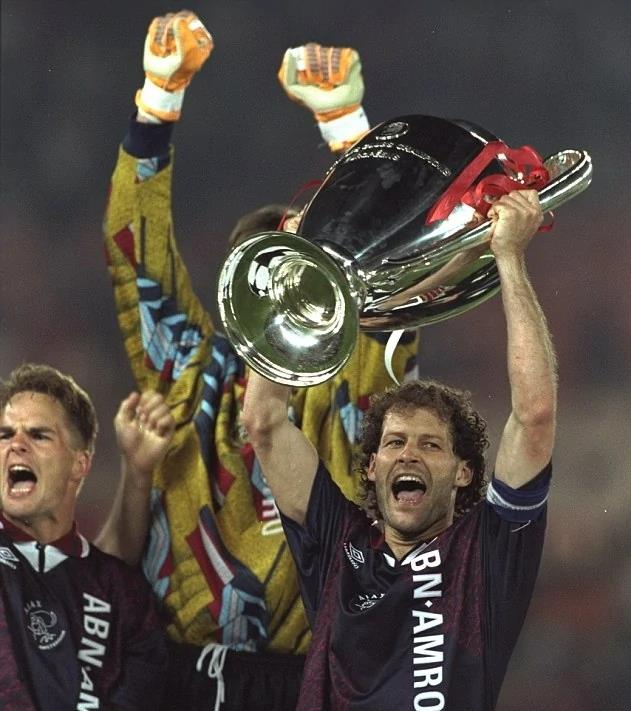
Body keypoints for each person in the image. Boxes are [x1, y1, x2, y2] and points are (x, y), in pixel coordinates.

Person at [97, 10, 418, 710]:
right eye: (274, 265)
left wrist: (349, 130)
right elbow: (135, 257)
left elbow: (389, 264)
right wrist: (156, 100)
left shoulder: (350, 381)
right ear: (237, 284)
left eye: (308, 267)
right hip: (174, 675)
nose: (291, 288)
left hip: (304, 678)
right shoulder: (186, 368)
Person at [243, 189, 557, 710]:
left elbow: (534, 417)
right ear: (371, 466)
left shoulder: (486, 555)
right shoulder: (339, 543)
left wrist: (509, 258)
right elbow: (264, 422)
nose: (408, 455)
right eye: (395, 442)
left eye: (430, 444)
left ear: (463, 472)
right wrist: (295, 274)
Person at [0, 363, 167, 711]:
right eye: (5, 434)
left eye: (38, 435)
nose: (16, 445)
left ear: (80, 464)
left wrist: (138, 471)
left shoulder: (123, 596)